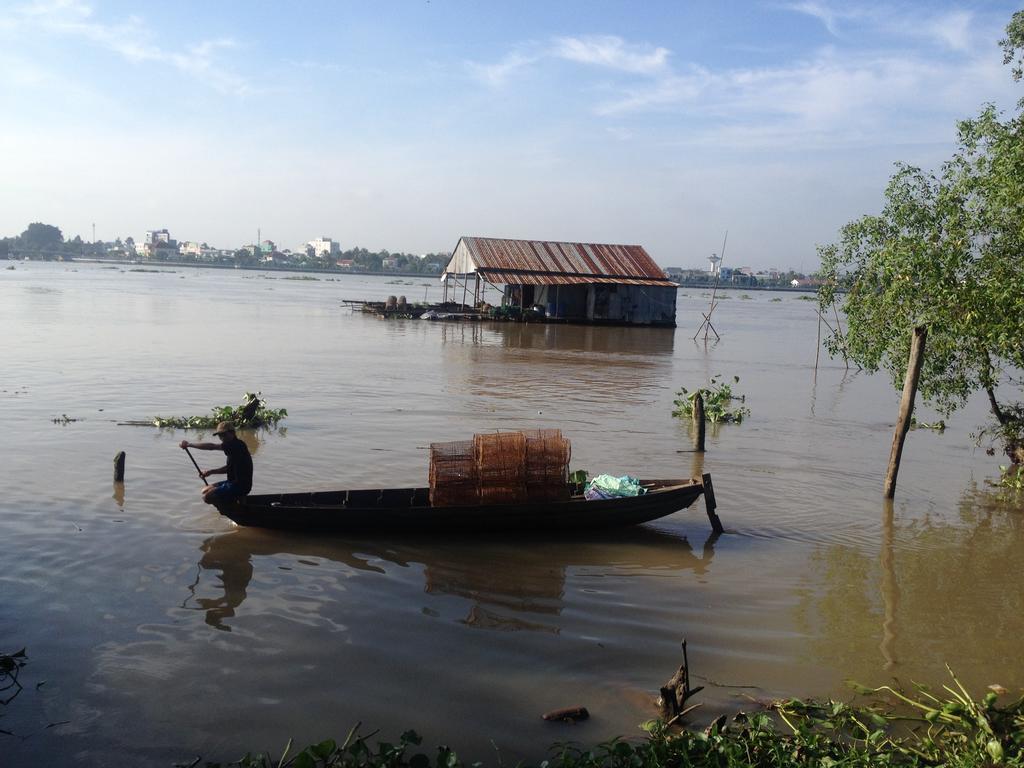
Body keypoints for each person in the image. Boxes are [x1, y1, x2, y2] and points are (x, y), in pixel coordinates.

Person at [180, 421, 253, 504]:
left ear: (232, 433)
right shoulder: (232, 446)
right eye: (220, 435)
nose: (222, 438)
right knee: (205, 490)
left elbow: (212, 447)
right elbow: (228, 468)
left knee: (207, 497)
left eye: (224, 435)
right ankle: (238, 501)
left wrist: (189, 444)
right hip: (233, 482)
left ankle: (234, 504)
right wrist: (211, 472)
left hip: (240, 486)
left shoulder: (236, 445)